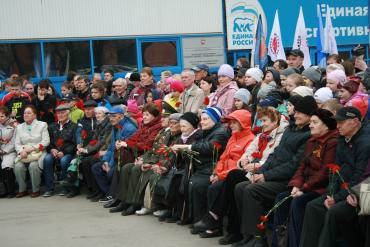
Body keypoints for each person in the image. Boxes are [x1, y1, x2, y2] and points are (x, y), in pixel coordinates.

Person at [234, 96, 316, 247]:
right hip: (273, 174)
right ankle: (248, 235)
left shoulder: (307, 135)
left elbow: (293, 165)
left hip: (287, 181)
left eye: (301, 113)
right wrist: (259, 173)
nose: (296, 115)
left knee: (252, 190)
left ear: (310, 116)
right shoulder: (290, 129)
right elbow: (274, 154)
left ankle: (259, 238)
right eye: (295, 111)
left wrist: (265, 175)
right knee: (240, 187)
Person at [300, 107, 370, 247]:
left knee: (336, 211)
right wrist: (331, 194)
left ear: (355, 122)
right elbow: (335, 169)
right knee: (313, 206)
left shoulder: (365, 143)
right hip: (344, 191)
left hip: (357, 191)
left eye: (342, 122)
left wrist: (337, 197)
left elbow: (360, 176)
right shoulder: (342, 138)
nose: (337, 126)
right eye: (337, 122)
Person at [272, 108, 338, 247]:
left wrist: (304, 188)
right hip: (306, 186)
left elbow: (325, 172)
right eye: (311, 122)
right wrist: (296, 184)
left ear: (326, 125)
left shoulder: (332, 142)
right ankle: (279, 243)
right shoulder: (312, 141)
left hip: (320, 188)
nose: (310, 125)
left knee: (299, 202)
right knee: (282, 199)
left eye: (315, 122)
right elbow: (302, 166)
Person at [192, 109, 255, 238]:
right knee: (206, 185)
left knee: (214, 188)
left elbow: (238, 164)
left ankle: (215, 225)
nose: (230, 125)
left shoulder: (250, 139)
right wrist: (216, 172)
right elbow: (223, 158)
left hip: (233, 175)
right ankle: (211, 222)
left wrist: (220, 176)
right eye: (230, 122)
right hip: (223, 174)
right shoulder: (233, 137)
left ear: (243, 123)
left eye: (234, 122)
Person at [172, 107, 230, 224]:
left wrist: (187, 147)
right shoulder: (205, 132)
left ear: (214, 120)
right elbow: (197, 146)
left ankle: (204, 221)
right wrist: (183, 151)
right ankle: (192, 218)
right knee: (187, 181)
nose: (202, 122)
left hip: (212, 168)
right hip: (202, 166)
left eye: (205, 119)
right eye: (201, 119)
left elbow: (209, 148)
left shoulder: (220, 133)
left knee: (197, 185)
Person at [109, 103, 163, 215]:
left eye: (147, 115)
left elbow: (148, 145)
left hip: (150, 158)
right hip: (141, 156)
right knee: (126, 168)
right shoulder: (144, 126)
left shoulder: (157, 128)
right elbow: (134, 138)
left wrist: (128, 145)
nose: (144, 117)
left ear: (154, 116)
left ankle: (134, 202)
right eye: (143, 114)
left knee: (134, 169)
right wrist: (125, 143)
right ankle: (123, 200)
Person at [90, 106, 137, 202]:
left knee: (111, 172)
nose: (111, 119)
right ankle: (108, 193)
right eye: (110, 116)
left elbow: (122, 151)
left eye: (113, 116)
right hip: (115, 158)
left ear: (121, 116)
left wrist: (110, 165)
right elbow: (111, 147)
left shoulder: (128, 128)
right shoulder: (115, 126)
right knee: (96, 167)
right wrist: (106, 161)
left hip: (125, 159)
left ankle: (113, 195)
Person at [14, 105, 50, 198]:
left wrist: (33, 148)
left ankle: (35, 190)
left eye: (29, 113)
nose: (26, 115)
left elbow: (46, 141)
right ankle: (22, 189)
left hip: (38, 153)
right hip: (24, 153)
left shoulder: (42, 125)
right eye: (25, 113)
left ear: (34, 115)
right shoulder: (19, 127)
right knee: (18, 166)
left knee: (33, 166)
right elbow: (17, 143)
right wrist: (21, 151)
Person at [42, 104, 78, 197]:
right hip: (54, 152)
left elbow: (75, 144)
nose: (60, 115)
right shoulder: (52, 126)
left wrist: (64, 152)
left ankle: (65, 187)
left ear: (68, 114)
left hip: (68, 152)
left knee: (64, 160)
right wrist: (52, 149)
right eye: (58, 113)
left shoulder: (74, 126)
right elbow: (47, 141)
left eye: (63, 113)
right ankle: (49, 188)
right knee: (47, 159)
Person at [81, 106, 112, 199]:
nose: (97, 115)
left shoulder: (108, 125)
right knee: (85, 161)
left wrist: (87, 150)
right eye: (96, 114)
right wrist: (84, 149)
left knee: (92, 161)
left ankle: (101, 190)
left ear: (105, 115)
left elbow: (102, 142)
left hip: (104, 150)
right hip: (100, 149)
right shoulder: (99, 124)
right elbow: (94, 139)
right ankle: (94, 189)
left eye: (99, 113)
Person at [0, 106, 17, 198]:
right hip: (0, 150)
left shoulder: (14, 125)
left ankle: (11, 191)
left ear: (7, 116)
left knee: (7, 167)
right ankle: (2, 190)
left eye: (2, 116)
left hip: (10, 151)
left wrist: (5, 151)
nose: (0, 118)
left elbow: (15, 141)